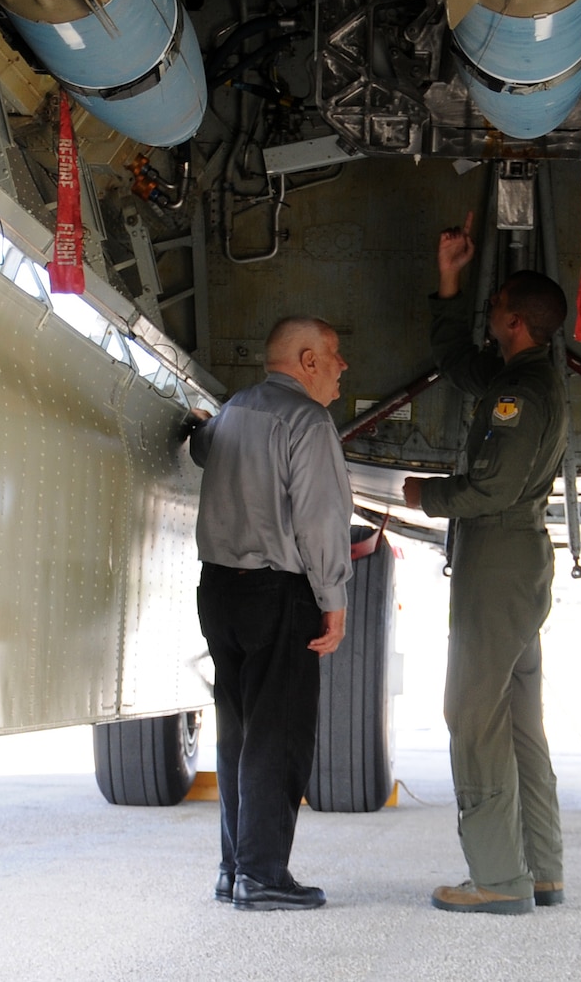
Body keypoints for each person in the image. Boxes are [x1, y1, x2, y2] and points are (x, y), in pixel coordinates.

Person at [402, 212, 570, 916]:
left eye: (496, 308)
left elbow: (493, 486)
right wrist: (449, 279)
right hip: (515, 565)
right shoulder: (524, 374)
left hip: (497, 559)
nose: (490, 314)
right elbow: (457, 366)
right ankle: (541, 869)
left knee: (471, 713)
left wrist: (426, 495)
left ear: (517, 322)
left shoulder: (520, 394)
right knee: (519, 719)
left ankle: (498, 878)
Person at [188, 316, 353, 911]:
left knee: (237, 731)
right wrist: (332, 601)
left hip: (219, 593)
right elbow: (320, 520)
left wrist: (203, 429)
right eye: (334, 355)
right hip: (279, 592)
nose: (342, 367)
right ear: (306, 360)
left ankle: (234, 868)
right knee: (277, 735)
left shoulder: (234, 411)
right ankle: (262, 874)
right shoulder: (307, 422)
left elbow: (201, 446)